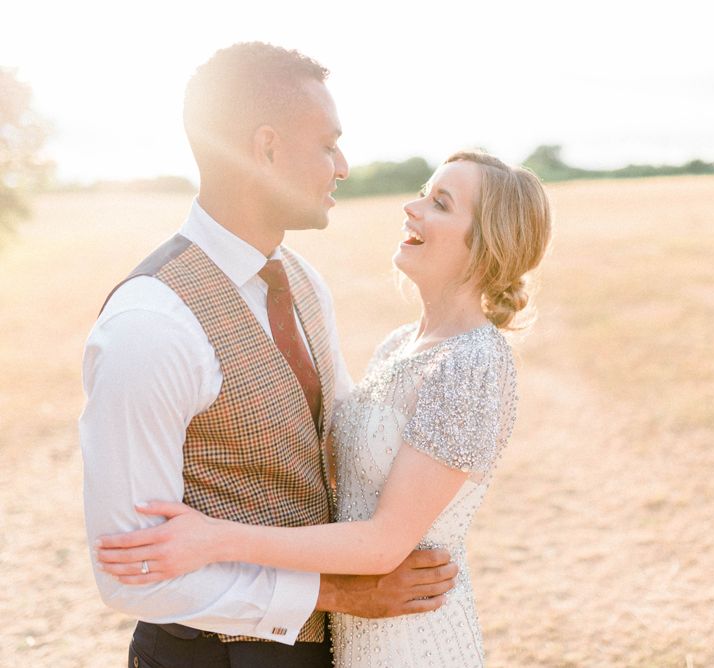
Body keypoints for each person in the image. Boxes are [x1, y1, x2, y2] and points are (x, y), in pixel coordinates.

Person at [80, 42, 458, 668]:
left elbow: (333, 447)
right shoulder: (149, 328)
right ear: (266, 147)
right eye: (328, 144)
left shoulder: (302, 280)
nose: (342, 165)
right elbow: (132, 572)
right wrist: (339, 593)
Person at [96, 150, 553, 667]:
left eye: (440, 204)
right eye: (423, 192)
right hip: (355, 634)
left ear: (489, 243)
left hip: (411, 632)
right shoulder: (401, 344)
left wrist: (215, 539)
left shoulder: (472, 363)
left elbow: (383, 544)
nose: (412, 207)